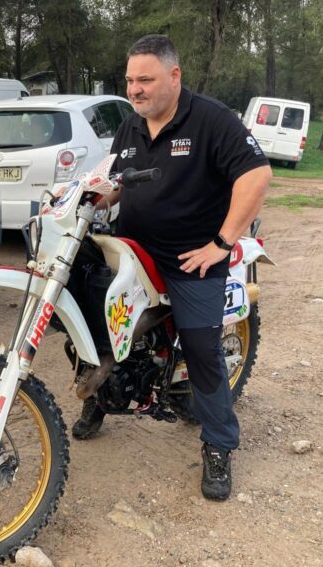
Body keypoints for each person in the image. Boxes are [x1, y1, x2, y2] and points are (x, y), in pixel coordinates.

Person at [71, 35, 272, 501]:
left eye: (146, 79)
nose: (135, 89)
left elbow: (256, 175)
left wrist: (221, 243)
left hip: (189, 258)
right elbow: (114, 184)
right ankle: (101, 393)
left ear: (174, 76)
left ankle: (219, 445)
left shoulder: (211, 120)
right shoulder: (130, 127)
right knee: (89, 318)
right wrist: (87, 199)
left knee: (202, 347)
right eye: (130, 80)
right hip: (132, 251)